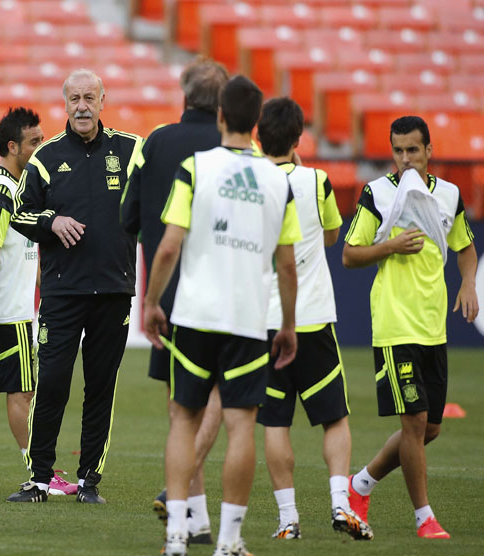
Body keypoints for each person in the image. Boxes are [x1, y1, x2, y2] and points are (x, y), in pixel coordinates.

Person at [143, 75, 301, 556]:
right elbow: (287, 262)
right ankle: (229, 541)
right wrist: (289, 325)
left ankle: (176, 537)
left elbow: (169, 246)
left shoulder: (195, 168)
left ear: (219, 117)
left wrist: (151, 303)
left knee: (184, 421)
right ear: (255, 123)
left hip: (194, 314)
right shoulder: (279, 180)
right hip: (248, 319)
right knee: (240, 427)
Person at [6, 69, 142, 504]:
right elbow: (19, 215)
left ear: (103, 100)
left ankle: (88, 482)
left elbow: (158, 205)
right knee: (53, 384)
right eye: (74, 99)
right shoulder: (46, 158)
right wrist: (52, 221)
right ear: (64, 105)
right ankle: (40, 479)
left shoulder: (132, 150)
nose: (82, 106)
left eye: (89, 97)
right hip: (62, 293)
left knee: (101, 387)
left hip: (115, 290)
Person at [343, 115, 478, 539]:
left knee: (430, 428)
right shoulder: (378, 194)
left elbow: (466, 247)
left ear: (429, 151)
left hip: (432, 327)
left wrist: (469, 283)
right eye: (398, 151)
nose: (405, 160)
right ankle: (424, 518)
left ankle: (360, 483)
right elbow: (350, 253)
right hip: (394, 325)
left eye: (413, 151)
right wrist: (390, 246)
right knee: (415, 423)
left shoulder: (450, 194)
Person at [120, 57, 228, 544]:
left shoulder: (155, 142)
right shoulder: (235, 148)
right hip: (226, 290)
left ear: (183, 94)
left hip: (169, 292)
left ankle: (193, 515)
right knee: (225, 398)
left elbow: (130, 215)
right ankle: (185, 497)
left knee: (178, 403)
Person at [255, 97, 372, 541]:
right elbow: (330, 234)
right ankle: (341, 504)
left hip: (265, 318)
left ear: (257, 135)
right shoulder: (316, 179)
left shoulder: (249, 181)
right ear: (299, 138)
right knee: (334, 417)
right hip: (313, 317)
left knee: (275, 422)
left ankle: (288, 519)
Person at [0, 107, 76, 496]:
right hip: (4, 312)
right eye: (34, 142)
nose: (41, 147)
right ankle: (40, 470)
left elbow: (14, 247)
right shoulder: (1, 190)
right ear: (13, 146)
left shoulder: (11, 186)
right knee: (23, 392)